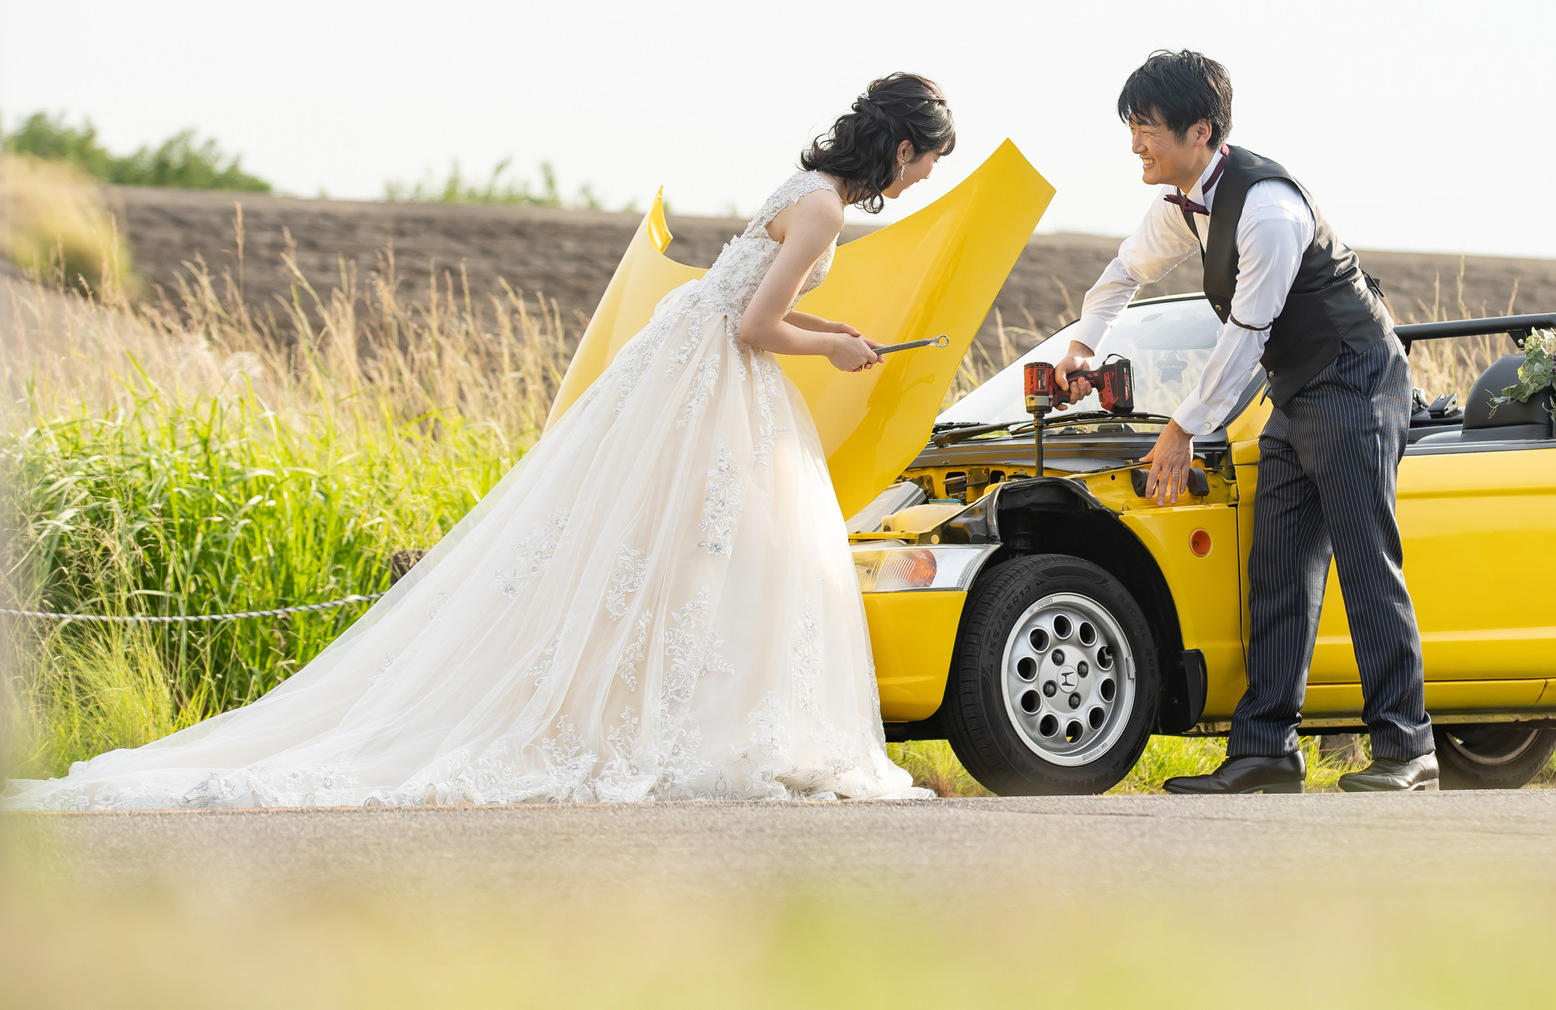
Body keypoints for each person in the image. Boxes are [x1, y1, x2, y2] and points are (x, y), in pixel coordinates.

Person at [3, 74, 957, 810]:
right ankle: (675, 727)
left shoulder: (802, 186)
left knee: (679, 550)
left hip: (688, 364)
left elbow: (749, 306)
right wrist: (833, 348)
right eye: (929, 164)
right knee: (721, 548)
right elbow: (755, 326)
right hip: (715, 374)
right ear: (903, 147)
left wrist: (829, 335)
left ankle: (666, 718)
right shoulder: (826, 208)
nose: (925, 181)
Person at [1054, 50, 1436, 794]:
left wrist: (1183, 427)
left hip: (1357, 382)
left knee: (1365, 563)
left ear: (1201, 131)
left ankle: (1408, 748)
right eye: (1130, 125)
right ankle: (1266, 750)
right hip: (1300, 393)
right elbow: (1123, 274)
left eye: (1147, 127)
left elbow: (1248, 332)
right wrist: (1080, 347)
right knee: (1278, 570)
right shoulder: (1182, 205)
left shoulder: (1268, 208)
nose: (1135, 142)